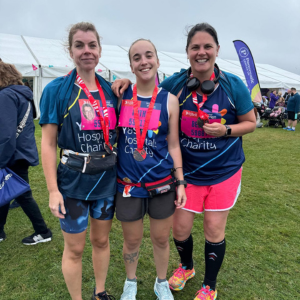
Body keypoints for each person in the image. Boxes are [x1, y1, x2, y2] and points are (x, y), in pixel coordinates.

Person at [112, 23, 256, 300]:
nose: (201, 52)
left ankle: (209, 285)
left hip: (223, 171)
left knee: (214, 229)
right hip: (187, 173)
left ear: (216, 50)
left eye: (207, 47)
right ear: (188, 52)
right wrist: (125, 82)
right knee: (178, 229)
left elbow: (251, 123)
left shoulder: (233, 84)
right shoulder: (176, 84)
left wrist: (226, 130)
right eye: (195, 48)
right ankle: (186, 267)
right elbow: (148, 86)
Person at [39, 22, 117, 300]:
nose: (87, 51)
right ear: (70, 50)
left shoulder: (112, 90)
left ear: (99, 49)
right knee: (74, 249)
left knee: (101, 240)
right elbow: (48, 144)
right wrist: (52, 190)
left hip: (106, 180)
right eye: (79, 45)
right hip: (72, 182)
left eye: (92, 45)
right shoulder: (57, 90)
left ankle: (100, 292)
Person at [116, 39, 186, 300]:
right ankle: (130, 283)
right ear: (131, 65)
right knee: (132, 241)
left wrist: (180, 182)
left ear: (157, 60)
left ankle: (161, 282)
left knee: (160, 239)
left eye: (148, 55)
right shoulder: (121, 95)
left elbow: (174, 144)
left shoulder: (170, 100)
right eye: (137, 57)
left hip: (162, 184)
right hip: (128, 185)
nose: (143, 61)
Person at [0, 59, 52, 244]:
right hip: (23, 150)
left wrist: (1, 160)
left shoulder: (6, 95)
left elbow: (6, 135)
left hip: (13, 154)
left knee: (21, 194)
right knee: (7, 189)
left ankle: (43, 231)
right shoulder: (24, 93)